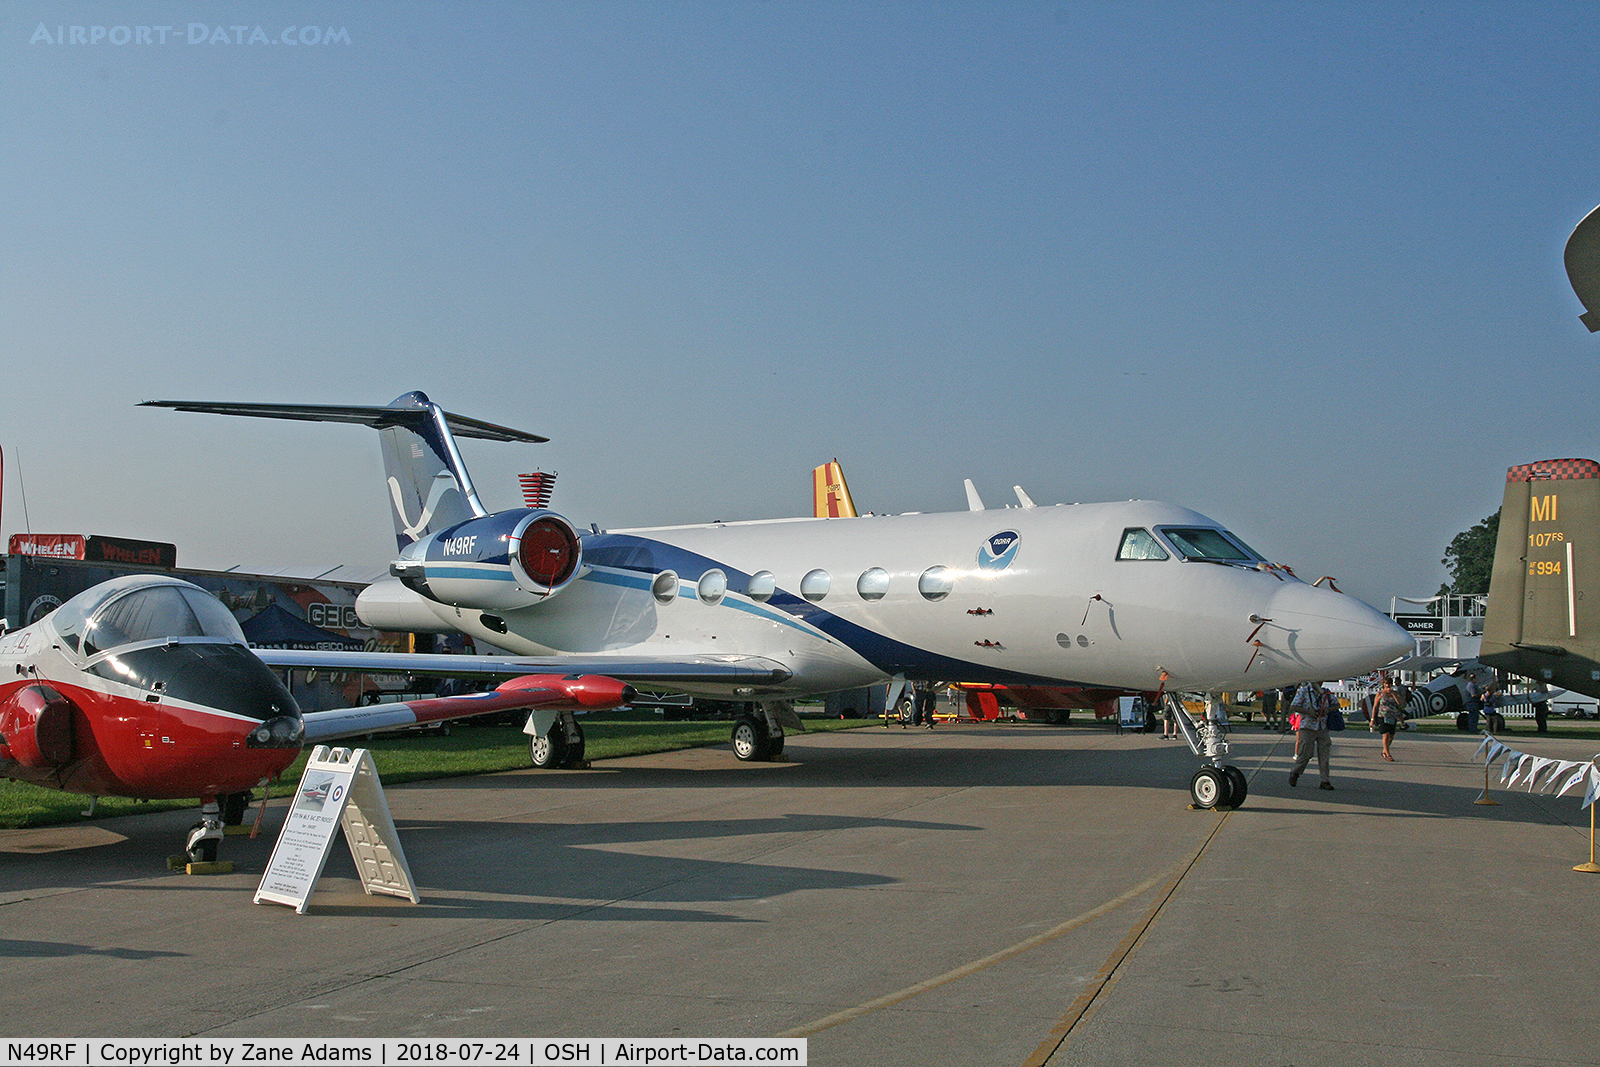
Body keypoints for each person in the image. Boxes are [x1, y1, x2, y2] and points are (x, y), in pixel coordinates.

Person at [1288, 680, 1334, 790]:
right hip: (1307, 726)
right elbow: (1294, 706)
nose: (1320, 682)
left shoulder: (1326, 692)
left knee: (1324, 754)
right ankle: (1296, 772)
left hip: (1322, 726)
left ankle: (1325, 780)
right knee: (1306, 753)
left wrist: (1328, 710)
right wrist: (1308, 711)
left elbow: (1336, 704)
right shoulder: (1304, 691)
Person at [1371, 674, 1403, 762]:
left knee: (1391, 736)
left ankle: (1384, 751)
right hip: (1382, 715)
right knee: (1386, 735)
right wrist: (1372, 719)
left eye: (1389, 683)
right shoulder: (1380, 693)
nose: (1387, 685)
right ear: (1383, 684)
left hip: (1392, 716)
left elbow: (1400, 704)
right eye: (1386, 684)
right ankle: (1387, 754)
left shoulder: (1395, 693)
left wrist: (1393, 694)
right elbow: (1375, 706)